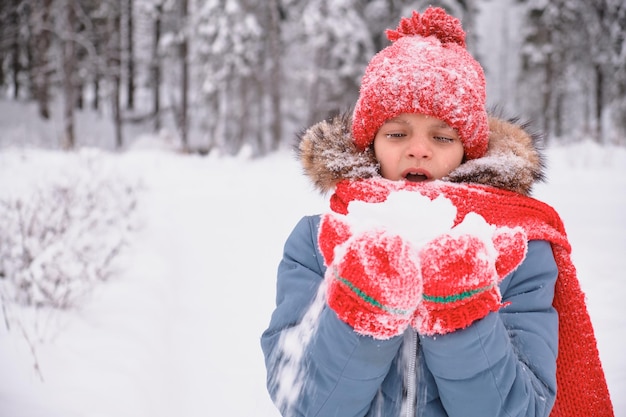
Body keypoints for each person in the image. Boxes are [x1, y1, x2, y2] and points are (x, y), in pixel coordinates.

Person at [261, 7, 614, 417]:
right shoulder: (319, 242)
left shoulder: (517, 251)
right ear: (369, 143)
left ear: (468, 151)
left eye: (442, 136)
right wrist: (364, 311)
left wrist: (461, 314)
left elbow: (522, 408)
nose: (418, 148)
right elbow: (303, 403)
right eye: (397, 133)